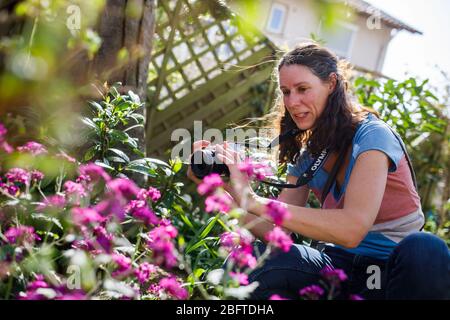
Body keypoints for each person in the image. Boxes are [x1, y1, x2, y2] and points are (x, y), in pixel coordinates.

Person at [188, 43, 449, 300]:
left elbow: (352, 230)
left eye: (302, 89)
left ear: (332, 84)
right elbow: (277, 233)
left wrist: (253, 200)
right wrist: (224, 192)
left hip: (391, 274)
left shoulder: (373, 136)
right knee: (257, 261)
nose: (292, 101)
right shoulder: (308, 153)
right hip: (339, 269)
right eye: (286, 91)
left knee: (427, 248)